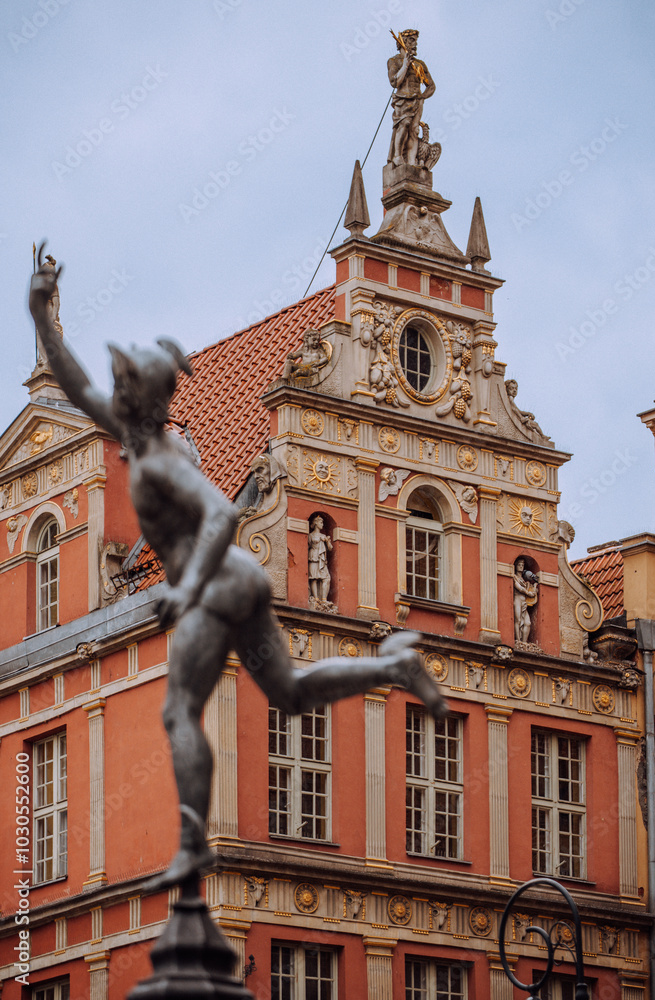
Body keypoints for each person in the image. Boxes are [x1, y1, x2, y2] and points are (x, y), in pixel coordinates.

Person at [28, 247, 448, 890]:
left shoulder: (164, 459)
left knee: (178, 712)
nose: (108, 392)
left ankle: (193, 842)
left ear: (140, 400)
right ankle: (393, 665)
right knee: (290, 691)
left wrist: (186, 586)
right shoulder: (138, 435)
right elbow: (78, 385)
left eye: (121, 386)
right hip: (242, 581)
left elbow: (224, 517)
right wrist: (42, 320)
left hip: (219, 584)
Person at [387, 29, 435, 167]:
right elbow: (395, 82)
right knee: (404, 124)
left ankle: (412, 161)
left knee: (414, 130)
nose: (415, 44)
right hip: (402, 99)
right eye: (412, 41)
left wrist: (422, 97)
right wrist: (405, 64)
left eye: (416, 41)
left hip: (417, 101)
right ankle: (397, 156)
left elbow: (431, 86)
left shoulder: (420, 64)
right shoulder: (394, 61)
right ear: (403, 42)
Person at [308, 514, 333, 601]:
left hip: (322, 560)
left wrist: (327, 541)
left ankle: (324, 598)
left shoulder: (323, 536)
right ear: (316, 523)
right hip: (313, 557)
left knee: (326, 578)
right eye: (321, 522)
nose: (322, 524)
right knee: (314, 578)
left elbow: (330, 548)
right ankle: (316, 598)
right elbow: (308, 546)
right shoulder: (310, 535)